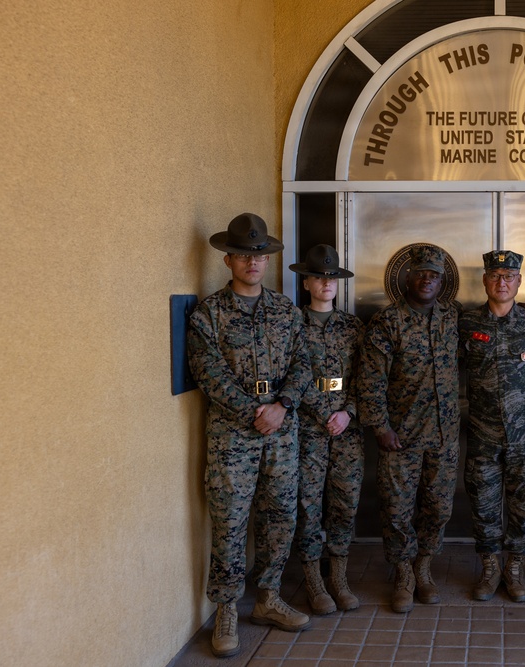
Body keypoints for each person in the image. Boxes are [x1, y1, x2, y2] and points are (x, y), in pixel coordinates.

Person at [186, 213, 312, 658]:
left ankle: (268, 598)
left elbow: (304, 363)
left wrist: (282, 406)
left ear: (267, 259)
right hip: (232, 435)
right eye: (242, 255)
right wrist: (251, 412)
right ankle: (226, 610)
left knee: (280, 516)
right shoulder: (209, 314)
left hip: (282, 430)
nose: (251, 262)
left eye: (258, 255)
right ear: (228, 260)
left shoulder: (285, 311)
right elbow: (208, 372)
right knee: (230, 519)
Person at [357, 244, 460, 614]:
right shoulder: (388, 321)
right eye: (421, 274)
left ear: (441, 281)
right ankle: (403, 573)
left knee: (439, 508)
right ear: (408, 277)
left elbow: (489, 328)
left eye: (434, 275)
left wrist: (524, 310)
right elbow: (371, 379)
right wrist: (380, 427)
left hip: (444, 436)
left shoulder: (452, 317)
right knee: (397, 510)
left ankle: (424, 568)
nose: (427, 280)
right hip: (401, 437)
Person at [459, 250, 525, 603]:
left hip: (524, 436)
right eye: (495, 276)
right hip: (482, 434)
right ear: (485, 280)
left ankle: (514, 568)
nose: (502, 283)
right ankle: (489, 568)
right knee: (483, 504)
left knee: (522, 505)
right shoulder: (466, 324)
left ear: (519, 282)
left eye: (509, 277)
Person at [289, 244, 364, 615]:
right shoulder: (291, 325)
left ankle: (338, 577)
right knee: (309, 504)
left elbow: (366, 376)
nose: (326, 283)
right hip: (308, 430)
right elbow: (289, 376)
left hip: (346, 431)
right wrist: (324, 414)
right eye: (318, 277)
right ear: (307, 283)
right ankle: (313, 581)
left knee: (345, 503)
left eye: (332, 278)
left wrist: (347, 412)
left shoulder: (353, 327)